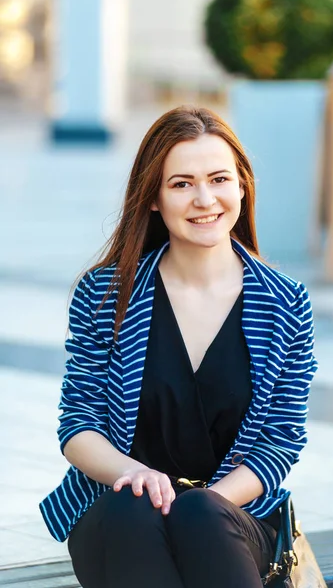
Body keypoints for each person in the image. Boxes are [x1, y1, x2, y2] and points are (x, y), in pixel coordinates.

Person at [39, 106, 318, 588]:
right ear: (153, 199)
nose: (204, 198)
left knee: (201, 519)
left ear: (242, 186)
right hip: (118, 513)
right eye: (182, 183)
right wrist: (136, 476)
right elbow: (78, 425)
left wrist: (201, 502)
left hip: (230, 518)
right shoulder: (106, 295)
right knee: (134, 507)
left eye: (218, 179)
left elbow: (281, 441)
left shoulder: (286, 303)